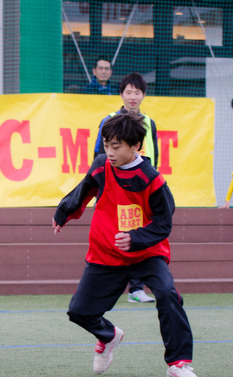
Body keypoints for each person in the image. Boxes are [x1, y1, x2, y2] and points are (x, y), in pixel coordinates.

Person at [52, 112, 198, 377]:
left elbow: (163, 223)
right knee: (79, 312)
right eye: (107, 145)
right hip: (106, 254)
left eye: (116, 146)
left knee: (167, 293)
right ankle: (108, 336)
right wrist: (63, 214)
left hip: (146, 254)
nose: (109, 151)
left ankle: (179, 364)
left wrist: (136, 238)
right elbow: (82, 191)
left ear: (135, 147)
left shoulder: (153, 179)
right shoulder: (100, 167)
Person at [93, 72, 158, 303]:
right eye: (128, 92)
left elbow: (153, 157)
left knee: (136, 233)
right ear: (121, 94)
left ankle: (135, 289)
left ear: (143, 95)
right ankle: (108, 286)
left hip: (140, 190)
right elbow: (99, 156)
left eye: (137, 92)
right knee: (111, 236)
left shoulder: (149, 123)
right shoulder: (110, 119)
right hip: (113, 189)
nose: (133, 96)